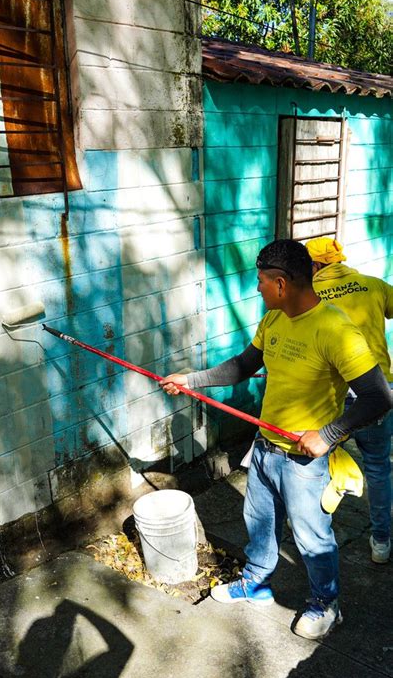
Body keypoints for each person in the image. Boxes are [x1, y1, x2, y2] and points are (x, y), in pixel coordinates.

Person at [160, 239, 392, 640]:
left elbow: (378, 397)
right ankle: (256, 582)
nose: (258, 288)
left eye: (262, 281)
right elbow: (243, 367)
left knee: (311, 537)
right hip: (265, 448)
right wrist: (191, 380)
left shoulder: (336, 330)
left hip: (304, 462)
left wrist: (330, 434)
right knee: (258, 522)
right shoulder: (274, 320)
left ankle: (326, 603)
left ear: (282, 283)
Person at [305, 236, 393, 564]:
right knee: (378, 466)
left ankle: (315, 534)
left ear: (314, 266)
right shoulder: (373, 285)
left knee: (315, 462)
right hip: (376, 392)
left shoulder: (308, 297)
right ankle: (381, 541)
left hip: (328, 395)